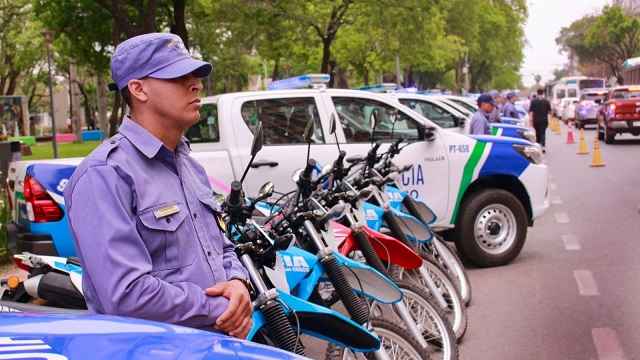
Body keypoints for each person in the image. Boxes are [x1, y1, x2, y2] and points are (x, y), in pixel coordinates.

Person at [63, 33, 253, 338]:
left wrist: (238, 283)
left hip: (216, 344)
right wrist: (222, 310)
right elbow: (127, 295)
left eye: (195, 75)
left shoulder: (190, 166)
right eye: (180, 76)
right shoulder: (104, 175)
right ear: (138, 89)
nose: (197, 85)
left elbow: (222, 248)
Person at [528, 88, 552, 153]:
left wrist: (531, 120)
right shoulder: (546, 102)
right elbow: (549, 111)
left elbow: (531, 111)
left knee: (537, 133)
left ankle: (537, 145)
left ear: (537, 93)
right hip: (544, 120)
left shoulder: (533, 101)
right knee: (543, 133)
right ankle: (543, 146)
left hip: (536, 120)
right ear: (543, 93)